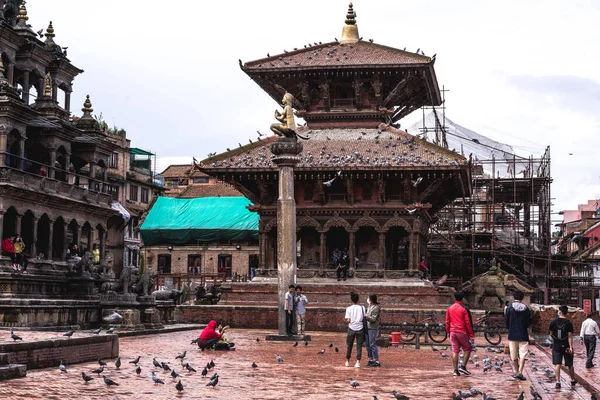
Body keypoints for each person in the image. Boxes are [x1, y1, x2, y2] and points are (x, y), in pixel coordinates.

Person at [445, 291, 474, 376]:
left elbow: (447, 321)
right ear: (462, 298)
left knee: (455, 350)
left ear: (454, 297)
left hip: (452, 332)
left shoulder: (449, 308)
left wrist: (448, 331)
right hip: (462, 332)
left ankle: (455, 370)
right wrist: (471, 334)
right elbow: (468, 322)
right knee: (467, 349)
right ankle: (463, 366)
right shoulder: (464, 308)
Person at [504, 290, 532, 380]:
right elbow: (529, 322)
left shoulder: (509, 308)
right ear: (522, 298)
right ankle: (520, 372)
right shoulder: (526, 309)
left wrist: (510, 328)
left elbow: (506, 321)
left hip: (512, 334)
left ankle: (516, 372)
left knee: (513, 354)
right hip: (523, 334)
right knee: (523, 354)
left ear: (513, 297)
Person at [549, 305, 577, 389]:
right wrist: (571, 347)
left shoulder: (553, 322)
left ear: (560, 312)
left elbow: (550, 334)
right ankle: (572, 380)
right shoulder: (568, 323)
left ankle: (558, 382)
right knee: (570, 364)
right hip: (566, 346)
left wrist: (556, 339)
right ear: (566, 313)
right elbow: (569, 336)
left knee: (557, 364)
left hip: (556, 345)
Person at [344, 292, 365, 368]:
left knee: (349, 345)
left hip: (351, 328)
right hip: (360, 328)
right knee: (359, 346)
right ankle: (358, 362)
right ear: (358, 299)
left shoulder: (349, 309)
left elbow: (348, 320)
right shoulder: (362, 308)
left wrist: (347, 321)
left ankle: (347, 361)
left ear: (351, 300)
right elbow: (364, 318)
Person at [365, 294, 381, 367]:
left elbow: (373, 319)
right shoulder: (369, 307)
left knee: (372, 344)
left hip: (372, 327)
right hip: (368, 327)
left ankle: (376, 360)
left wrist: (366, 317)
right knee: (368, 344)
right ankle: (370, 359)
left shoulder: (376, 308)